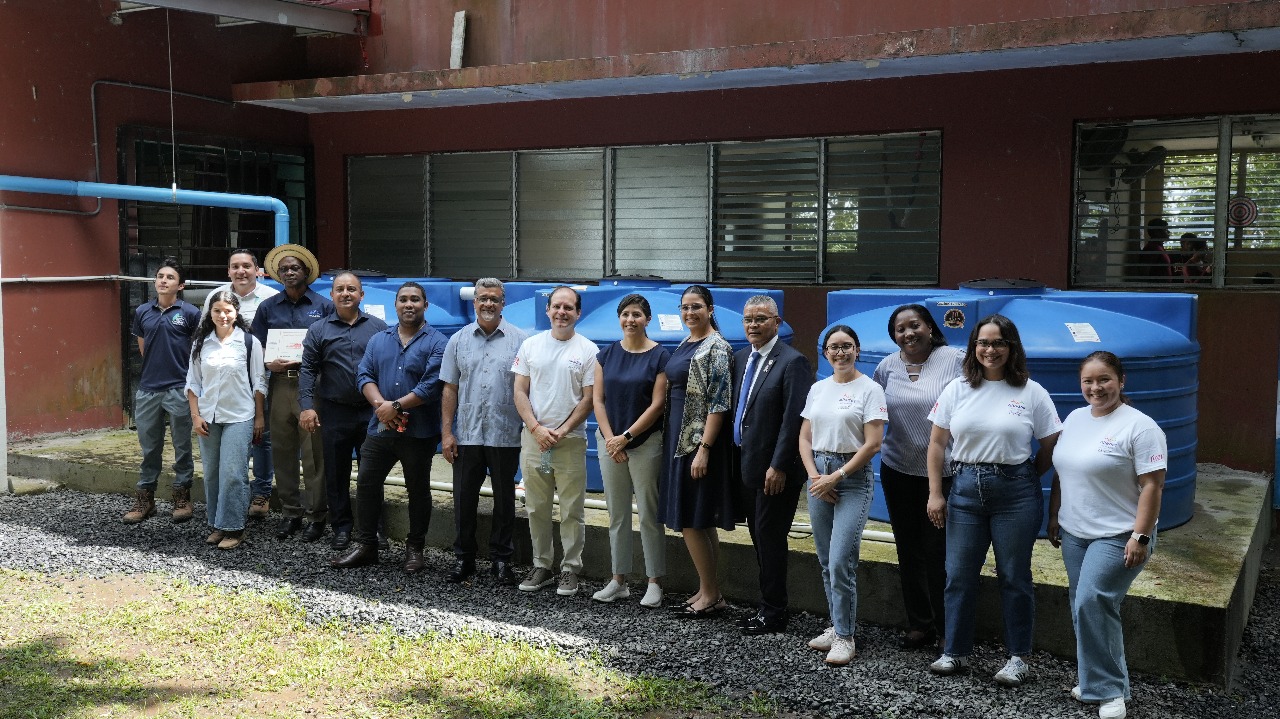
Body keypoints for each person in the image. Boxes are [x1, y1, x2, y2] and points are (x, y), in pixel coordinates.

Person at [926, 314, 1061, 686]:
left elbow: (1051, 444)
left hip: (1016, 494)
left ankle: (1018, 657)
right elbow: (937, 444)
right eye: (983, 343)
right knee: (958, 575)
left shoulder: (1031, 392)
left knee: (1014, 576)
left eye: (999, 343)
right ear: (973, 347)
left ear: (1011, 347)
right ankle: (955, 651)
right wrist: (936, 493)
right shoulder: (957, 388)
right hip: (965, 488)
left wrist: (1029, 473)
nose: (990, 350)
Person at [1048, 351, 1165, 719]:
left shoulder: (1141, 427)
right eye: (1088, 381)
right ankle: (1094, 678)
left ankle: (1110, 690)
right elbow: (1063, 471)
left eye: (1104, 380)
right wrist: (1055, 516)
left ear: (1121, 381)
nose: (1096, 388)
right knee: (1084, 606)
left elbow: (1153, 487)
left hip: (1119, 534)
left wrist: (1141, 537)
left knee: (1092, 601)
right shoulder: (1076, 418)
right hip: (1074, 531)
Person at [330, 282, 448, 573]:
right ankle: (367, 545)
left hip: (418, 432)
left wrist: (396, 407)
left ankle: (415, 549)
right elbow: (364, 375)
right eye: (404, 300)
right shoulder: (378, 340)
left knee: (418, 489)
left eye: (415, 300)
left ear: (425, 305)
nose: (409, 304)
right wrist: (382, 407)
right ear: (396, 305)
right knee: (367, 484)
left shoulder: (438, 342)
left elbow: (432, 385)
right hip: (380, 428)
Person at [872, 304, 965, 650]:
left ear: (929, 327)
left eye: (915, 326)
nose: (908, 334)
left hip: (943, 475)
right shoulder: (887, 366)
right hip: (898, 470)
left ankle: (946, 629)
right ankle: (919, 624)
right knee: (908, 549)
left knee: (939, 552)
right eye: (900, 329)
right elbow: (876, 411)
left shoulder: (954, 359)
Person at [799, 325, 887, 665]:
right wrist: (815, 477)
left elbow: (873, 444)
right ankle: (836, 626)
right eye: (834, 347)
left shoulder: (870, 390)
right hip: (819, 476)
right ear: (825, 353)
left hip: (851, 479)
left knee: (841, 560)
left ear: (857, 350)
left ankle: (846, 637)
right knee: (825, 560)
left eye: (847, 346)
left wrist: (836, 476)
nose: (840, 353)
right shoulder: (818, 389)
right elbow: (805, 438)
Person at [731, 294, 811, 635]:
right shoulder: (740, 359)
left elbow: (793, 420)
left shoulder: (792, 362)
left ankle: (775, 611)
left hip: (774, 472)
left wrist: (779, 466)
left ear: (777, 323)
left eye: (761, 319)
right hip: (747, 466)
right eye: (749, 319)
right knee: (758, 537)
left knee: (770, 538)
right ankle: (767, 605)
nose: (753, 325)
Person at [512, 286, 599, 596]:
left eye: (569, 308)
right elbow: (520, 390)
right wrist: (535, 428)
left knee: (572, 509)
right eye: (557, 306)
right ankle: (542, 565)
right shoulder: (531, 345)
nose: (562, 312)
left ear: (577, 313)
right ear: (547, 310)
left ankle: (570, 568)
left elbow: (589, 399)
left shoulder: (588, 351)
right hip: (535, 439)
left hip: (570, 440)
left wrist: (561, 431)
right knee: (536, 506)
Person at [440, 278, 528, 585]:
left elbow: (527, 389)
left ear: (503, 303)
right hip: (467, 435)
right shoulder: (458, 340)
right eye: (483, 299)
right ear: (473, 302)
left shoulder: (520, 340)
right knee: (464, 499)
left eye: (494, 299)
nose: (488, 303)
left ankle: (501, 560)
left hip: (506, 435)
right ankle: (464, 559)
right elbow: (450, 388)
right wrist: (447, 433)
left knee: (505, 500)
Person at [658, 285, 735, 618]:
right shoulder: (686, 342)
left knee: (691, 518)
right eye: (685, 307)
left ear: (710, 309)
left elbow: (719, 404)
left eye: (697, 307)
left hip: (695, 443)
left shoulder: (715, 347)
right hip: (678, 439)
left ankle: (711, 593)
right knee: (701, 520)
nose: (690, 313)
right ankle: (708, 590)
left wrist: (703, 449)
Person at [298, 272, 388, 551]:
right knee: (336, 473)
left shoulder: (379, 327)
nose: (346, 293)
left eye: (352, 289)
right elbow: (308, 370)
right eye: (340, 289)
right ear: (332, 295)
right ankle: (341, 528)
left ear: (362, 295)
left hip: (371, 413)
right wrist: (306, 407)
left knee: (371, 473)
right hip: (334, 411)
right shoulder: (319, 330)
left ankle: (373, 529)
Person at [591, 293, 670, 607]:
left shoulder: (660, 356)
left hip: (645, 443)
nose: (630, 320)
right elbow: (598, 401)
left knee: (649, 514)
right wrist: (612, 440)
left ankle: (654, 581)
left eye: (636, 314)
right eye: (625, 314)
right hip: (610, 443)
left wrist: (626, 437)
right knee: (617, 514)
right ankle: (618, 579)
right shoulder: (606, 355)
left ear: (647, 319)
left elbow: (658, 404)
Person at [250, 244, 333, 541]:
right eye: (283, 269)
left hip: (312, 384)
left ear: (306, 272)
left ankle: (316, 515)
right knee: (283, 450)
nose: (288, 272)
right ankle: (290, 512)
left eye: (294, 268)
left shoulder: (324, 306)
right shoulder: (268, 307)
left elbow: (332, 346)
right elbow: (255, 346)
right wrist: (266, 362)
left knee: (313, 452)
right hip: (280, 383)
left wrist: (308, 361)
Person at [185, 291, 266, 550]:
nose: (223, 315)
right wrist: (195, 416)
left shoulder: (249, 342)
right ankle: (217, 524)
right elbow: (193, 382)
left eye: (228, 310)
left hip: (240, 415)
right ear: (210, 313)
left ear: (236, 313)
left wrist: (260, 418)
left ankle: (234, 527)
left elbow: (260, 382)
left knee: (233, 472)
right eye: (217, 310)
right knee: (211, 473)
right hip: (208, 416)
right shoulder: (201, 344)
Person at [203, 248, 279, 519]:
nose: (241, 271)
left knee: (262, 435)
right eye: (235, 266)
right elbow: (205, 334)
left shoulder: (271, 297)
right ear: (228, 271)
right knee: (230, 440)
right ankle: (235, 494)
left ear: (257, 270)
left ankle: (261, 491)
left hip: (263, 373)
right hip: (225, 377)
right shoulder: (216, 297)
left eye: (246, 266)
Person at [124, 258, 202, 525]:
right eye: (160, 276)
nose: (163, 280)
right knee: (149, 447)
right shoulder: (143, 311)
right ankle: (146, 498)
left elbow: (196, 351)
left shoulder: (191, 313)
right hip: (148, 390)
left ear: (180, 285)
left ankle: (182, 495)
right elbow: (144, 348)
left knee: (182, 446)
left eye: (170, 277)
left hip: (179, 389)